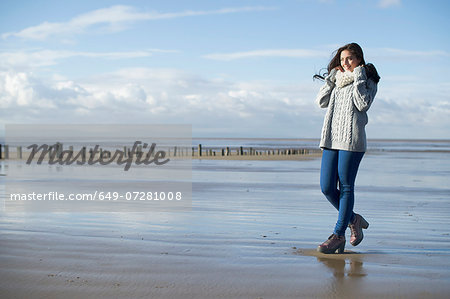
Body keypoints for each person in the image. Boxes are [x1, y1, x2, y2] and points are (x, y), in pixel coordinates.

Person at [314, 43, 380, 254]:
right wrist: (330, 80)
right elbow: (321, 102)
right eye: (342, 60)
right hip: (331, 140)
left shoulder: (368, 79)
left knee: (346, 187)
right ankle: (354, 219)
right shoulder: (337, 81)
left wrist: (359, 76)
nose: (345, 63)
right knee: (326, 187)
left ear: (359, 59)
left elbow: (362, 104)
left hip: (352, 141)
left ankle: (338, 235)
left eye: (350, 59)